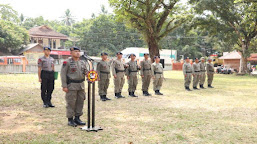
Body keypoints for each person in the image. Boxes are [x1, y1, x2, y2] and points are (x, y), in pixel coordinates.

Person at [61, 47, 88, 127]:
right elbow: (63, 74)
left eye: (78, 51)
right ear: (71, 53)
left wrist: (91, 75)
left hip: (81, 85)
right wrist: (64, 86)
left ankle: (77, 118)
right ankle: (70, 119)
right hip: (71, 85)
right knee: (71, 102)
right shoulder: (67, 62)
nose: (77, 53)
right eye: (75, 51)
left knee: (80, 102)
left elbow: (86, 72)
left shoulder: (82, 62)